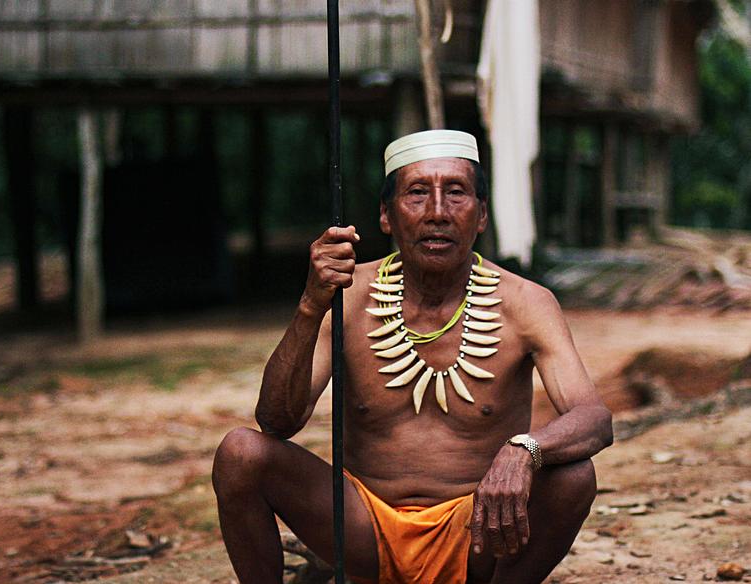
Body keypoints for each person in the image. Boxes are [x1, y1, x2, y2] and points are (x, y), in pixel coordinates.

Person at [212, 130, 613, 584]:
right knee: (240, 452)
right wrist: (309, 305)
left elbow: (593, 418)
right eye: (418, 193)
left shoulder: (526, 303)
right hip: (363, 529)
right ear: (386, 215)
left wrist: (524, 450)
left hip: (481, 533)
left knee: (574, 475)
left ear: (482, 215)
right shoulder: (347, 295)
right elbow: (277, 422)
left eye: (456, 193)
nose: (438, 212)